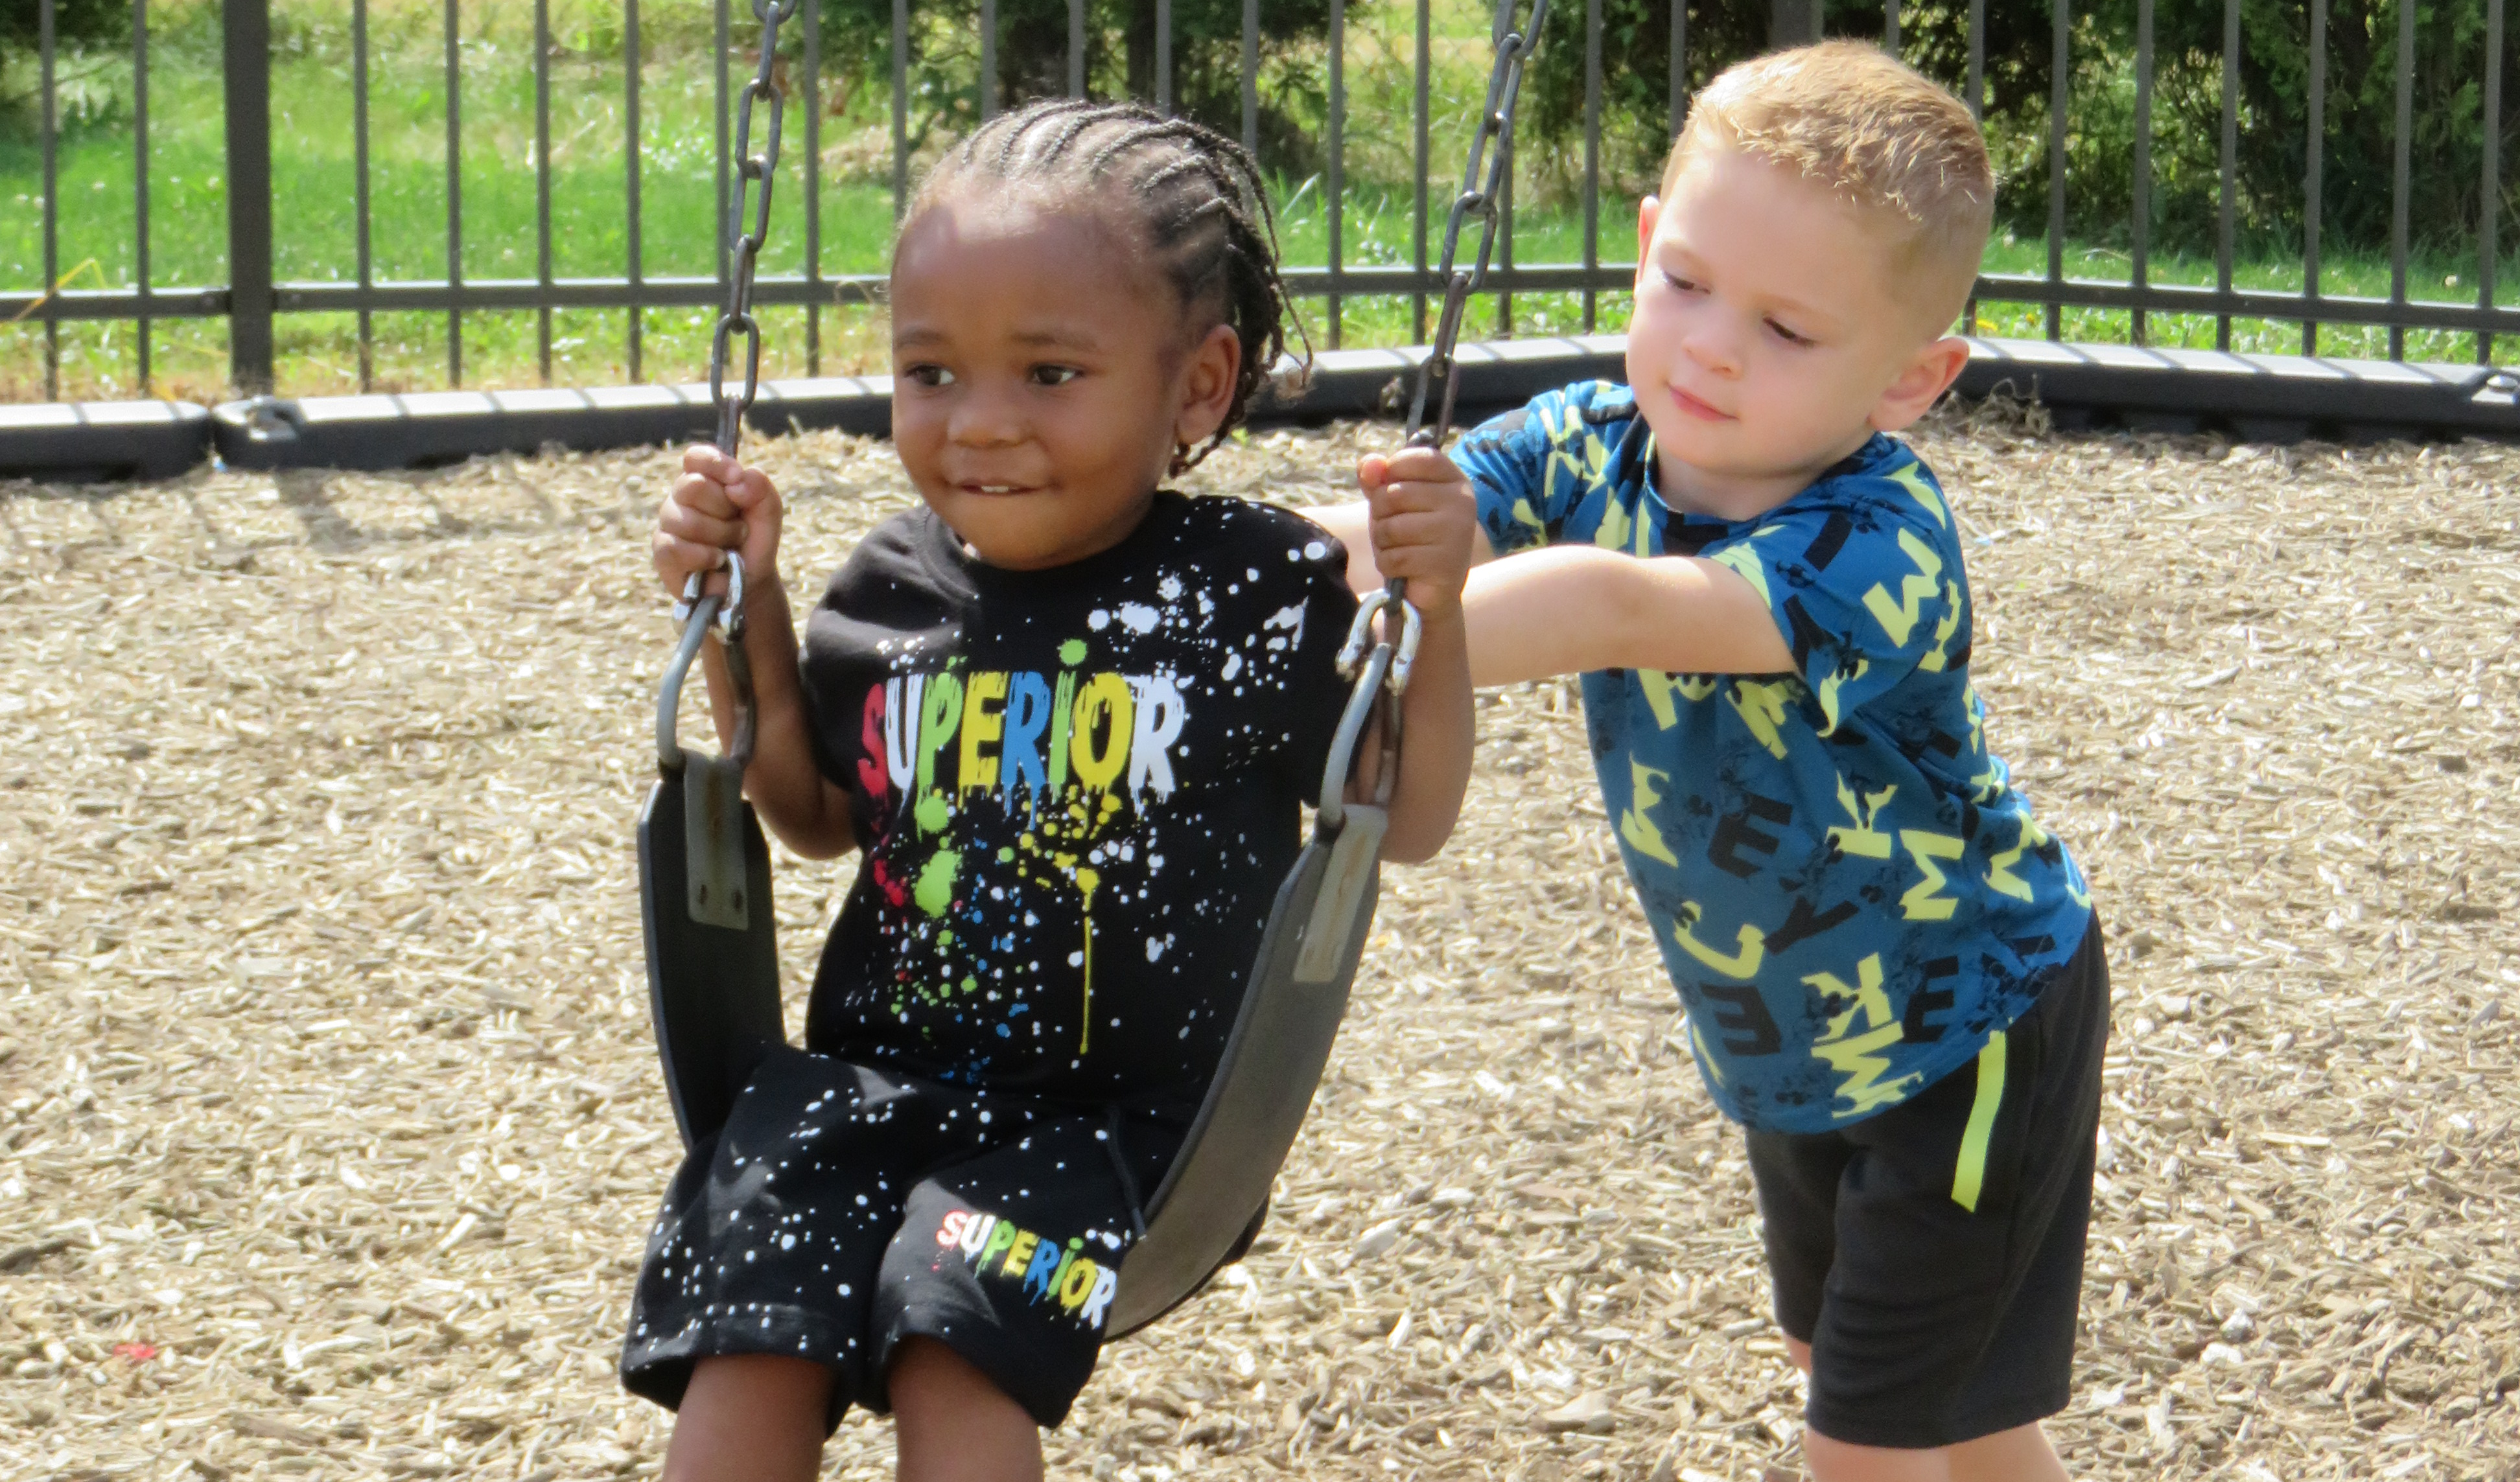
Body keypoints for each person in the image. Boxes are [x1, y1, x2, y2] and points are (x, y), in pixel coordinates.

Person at [628, 97, 1475, 1482]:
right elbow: (809, 813)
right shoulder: (889, 585)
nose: (982, 426)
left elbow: (1409, 814)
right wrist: (749, 606)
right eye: (931, 373)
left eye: (1050, 376)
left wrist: (1436, 610)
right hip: (864, 1088)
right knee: (746, 1344)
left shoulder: (1253, 592)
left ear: (1195, 389)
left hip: (1103, 1135)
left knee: (953, 1356)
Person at [1324, 42, 2106, 1482]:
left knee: (1864, 1438)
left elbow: (1617, 609)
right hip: (1792, 1046)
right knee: (1937, 1400)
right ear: (1643, 244)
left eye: (1789, 330)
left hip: (1969, 1027)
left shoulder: (1882, 541)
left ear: (1913, 377)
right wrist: (1232, 590)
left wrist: (1376, 649)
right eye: (1684, 281)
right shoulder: (1588, 440)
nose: (1710, 347)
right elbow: (1395, 537)